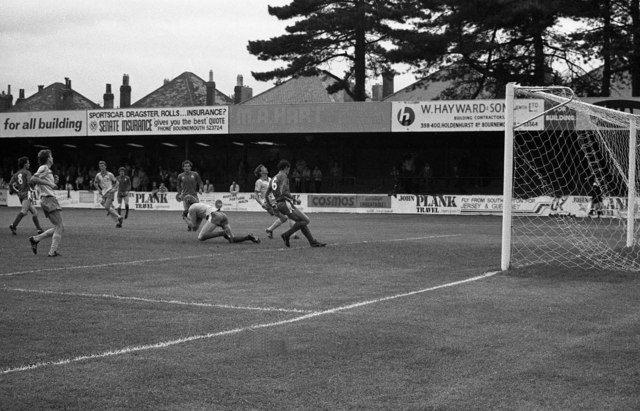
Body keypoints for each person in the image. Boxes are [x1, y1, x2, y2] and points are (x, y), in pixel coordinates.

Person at [265, 159, 326, 248]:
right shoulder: (283, 176)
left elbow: (266, 195)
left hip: (280, 204)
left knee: (301, 222)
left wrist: (272, 206)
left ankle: (312, 242)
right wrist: (294, 199)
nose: (289, 171)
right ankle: (286, 235)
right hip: (285, 203)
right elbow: (283, 191)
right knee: (306, 220)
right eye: (289, 169)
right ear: (286, 168)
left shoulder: (273, 178)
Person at [28, 149, 64, 257]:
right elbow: (33, 178)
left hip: (46, 199)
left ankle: (35, 239)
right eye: (51, 156)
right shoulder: (44, 167)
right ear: (48, 158)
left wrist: (53, 182)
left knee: (60, 227)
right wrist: (50, 183)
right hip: (49, 199)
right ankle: (52, 252)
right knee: (59, 226)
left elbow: (42, 183)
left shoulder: (47, 170)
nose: (52, 158)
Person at [186, 197, 260, 244]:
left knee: (201, 237)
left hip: (214, 216)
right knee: (232, 239)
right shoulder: (199, 205)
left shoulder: (192, 208)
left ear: (187, 203)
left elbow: (194, 226)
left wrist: (185, 218)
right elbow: (196, 226)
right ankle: (249, 237)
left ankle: (223, 233)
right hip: (222, 214)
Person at [253, 164, 297, 239]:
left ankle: (269, 230)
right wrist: (262, 203)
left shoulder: (270, 179)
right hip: (269, 203)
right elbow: (256, 195)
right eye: (264, 168)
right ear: (261, 172)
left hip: (276, 201)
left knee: (285, 217)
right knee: (289, 214)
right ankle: (292, 234)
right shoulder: (259, 182)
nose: (266, 168)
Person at [8, 156, 44, 235]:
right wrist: (34, 185)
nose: (29, 164)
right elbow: (30, 182)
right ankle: (13, 225)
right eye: (28, 163)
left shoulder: (16, 174)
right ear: (24, 164)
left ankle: (39, 229)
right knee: (24, 212)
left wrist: (16, 191)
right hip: (27, 194)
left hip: (20, 195)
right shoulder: (27, 172)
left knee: (34, 212)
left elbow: (10, 184)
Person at [94, 161, 124, 228]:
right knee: (109, 208)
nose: (101, 167)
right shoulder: (98, 175)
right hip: (104, 193)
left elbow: (117, 183)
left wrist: (114, 189)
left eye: (102, 166)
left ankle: (119, 217)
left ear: (105, 166)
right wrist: (99, 190)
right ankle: (118, 222)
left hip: (110, 192)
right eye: (100, 166)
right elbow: (95, 183)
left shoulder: (110, 174)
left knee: (107, 207)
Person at [177, 160, 203, 231]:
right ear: (183, 168)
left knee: (197, 211)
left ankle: (194, 225)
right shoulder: (180, 176)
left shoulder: (195, 174)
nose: (187, 167)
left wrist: (200, 188)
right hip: (185, 196)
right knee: (187, 212)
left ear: (190, 167)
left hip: (194, 196)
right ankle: (190, 225)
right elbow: (178, 185)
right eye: (185, 166)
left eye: (188, 166)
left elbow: (200, 182)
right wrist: (180, 193)